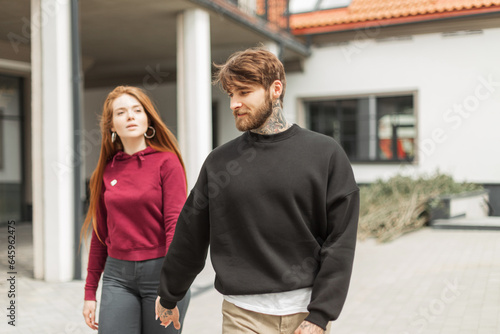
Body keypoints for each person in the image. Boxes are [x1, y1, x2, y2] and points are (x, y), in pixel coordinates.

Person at [155, 48, 359, 334]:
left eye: (244, 92)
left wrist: (321, 314)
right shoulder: (220, 163)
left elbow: (340, 242)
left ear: (275, 89)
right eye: (231, 95)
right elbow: (191, 234)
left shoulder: (325, 154)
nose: (234, 104)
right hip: (241, 314)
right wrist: (169, 295)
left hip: (305, 313)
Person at [81, 86, 190, 333]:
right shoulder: (105, 171)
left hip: (162, 273)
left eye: (136, 110)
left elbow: (175, 224)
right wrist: (90, 292)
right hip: (117, 277)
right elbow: (100, 235)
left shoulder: (167, 162)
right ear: (111, 125)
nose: (130, 116)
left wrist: (171, 286)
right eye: (121, 112)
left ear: (147, 118)